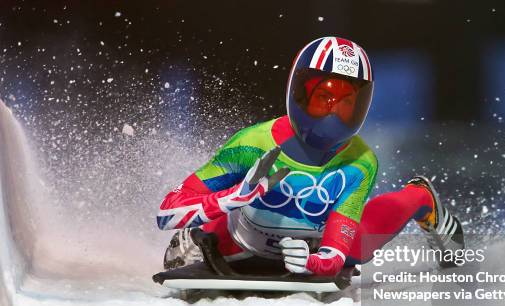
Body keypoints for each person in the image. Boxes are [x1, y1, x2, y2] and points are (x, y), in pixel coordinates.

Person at [157, 36, 463, 277]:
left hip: (316, 240)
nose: (332, 116)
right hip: (240, 237)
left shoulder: (360, 162)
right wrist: (232, 198)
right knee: (214, 238)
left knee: (359, 246)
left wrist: (314, 264)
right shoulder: (250, 145)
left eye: (345, 105)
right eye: (323, 99)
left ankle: (420, 197)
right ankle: (193, 238)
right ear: (297, 93)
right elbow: (166, 213)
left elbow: (335, 256)